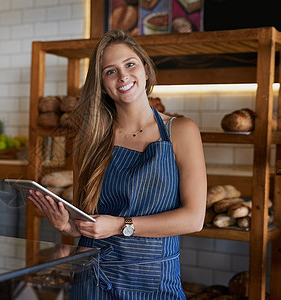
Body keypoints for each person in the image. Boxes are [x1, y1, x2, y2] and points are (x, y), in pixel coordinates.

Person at [28, 29, 207, 299]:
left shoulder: (181, 130)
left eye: (130, 64)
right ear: (101, 84)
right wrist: (68, 226)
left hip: (153, 282)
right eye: (110, 71)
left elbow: (194, 219)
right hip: (92, 280)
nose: (123, 76)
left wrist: (121, 225)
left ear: (146, 69)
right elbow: (85, 219)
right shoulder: (88, 139)